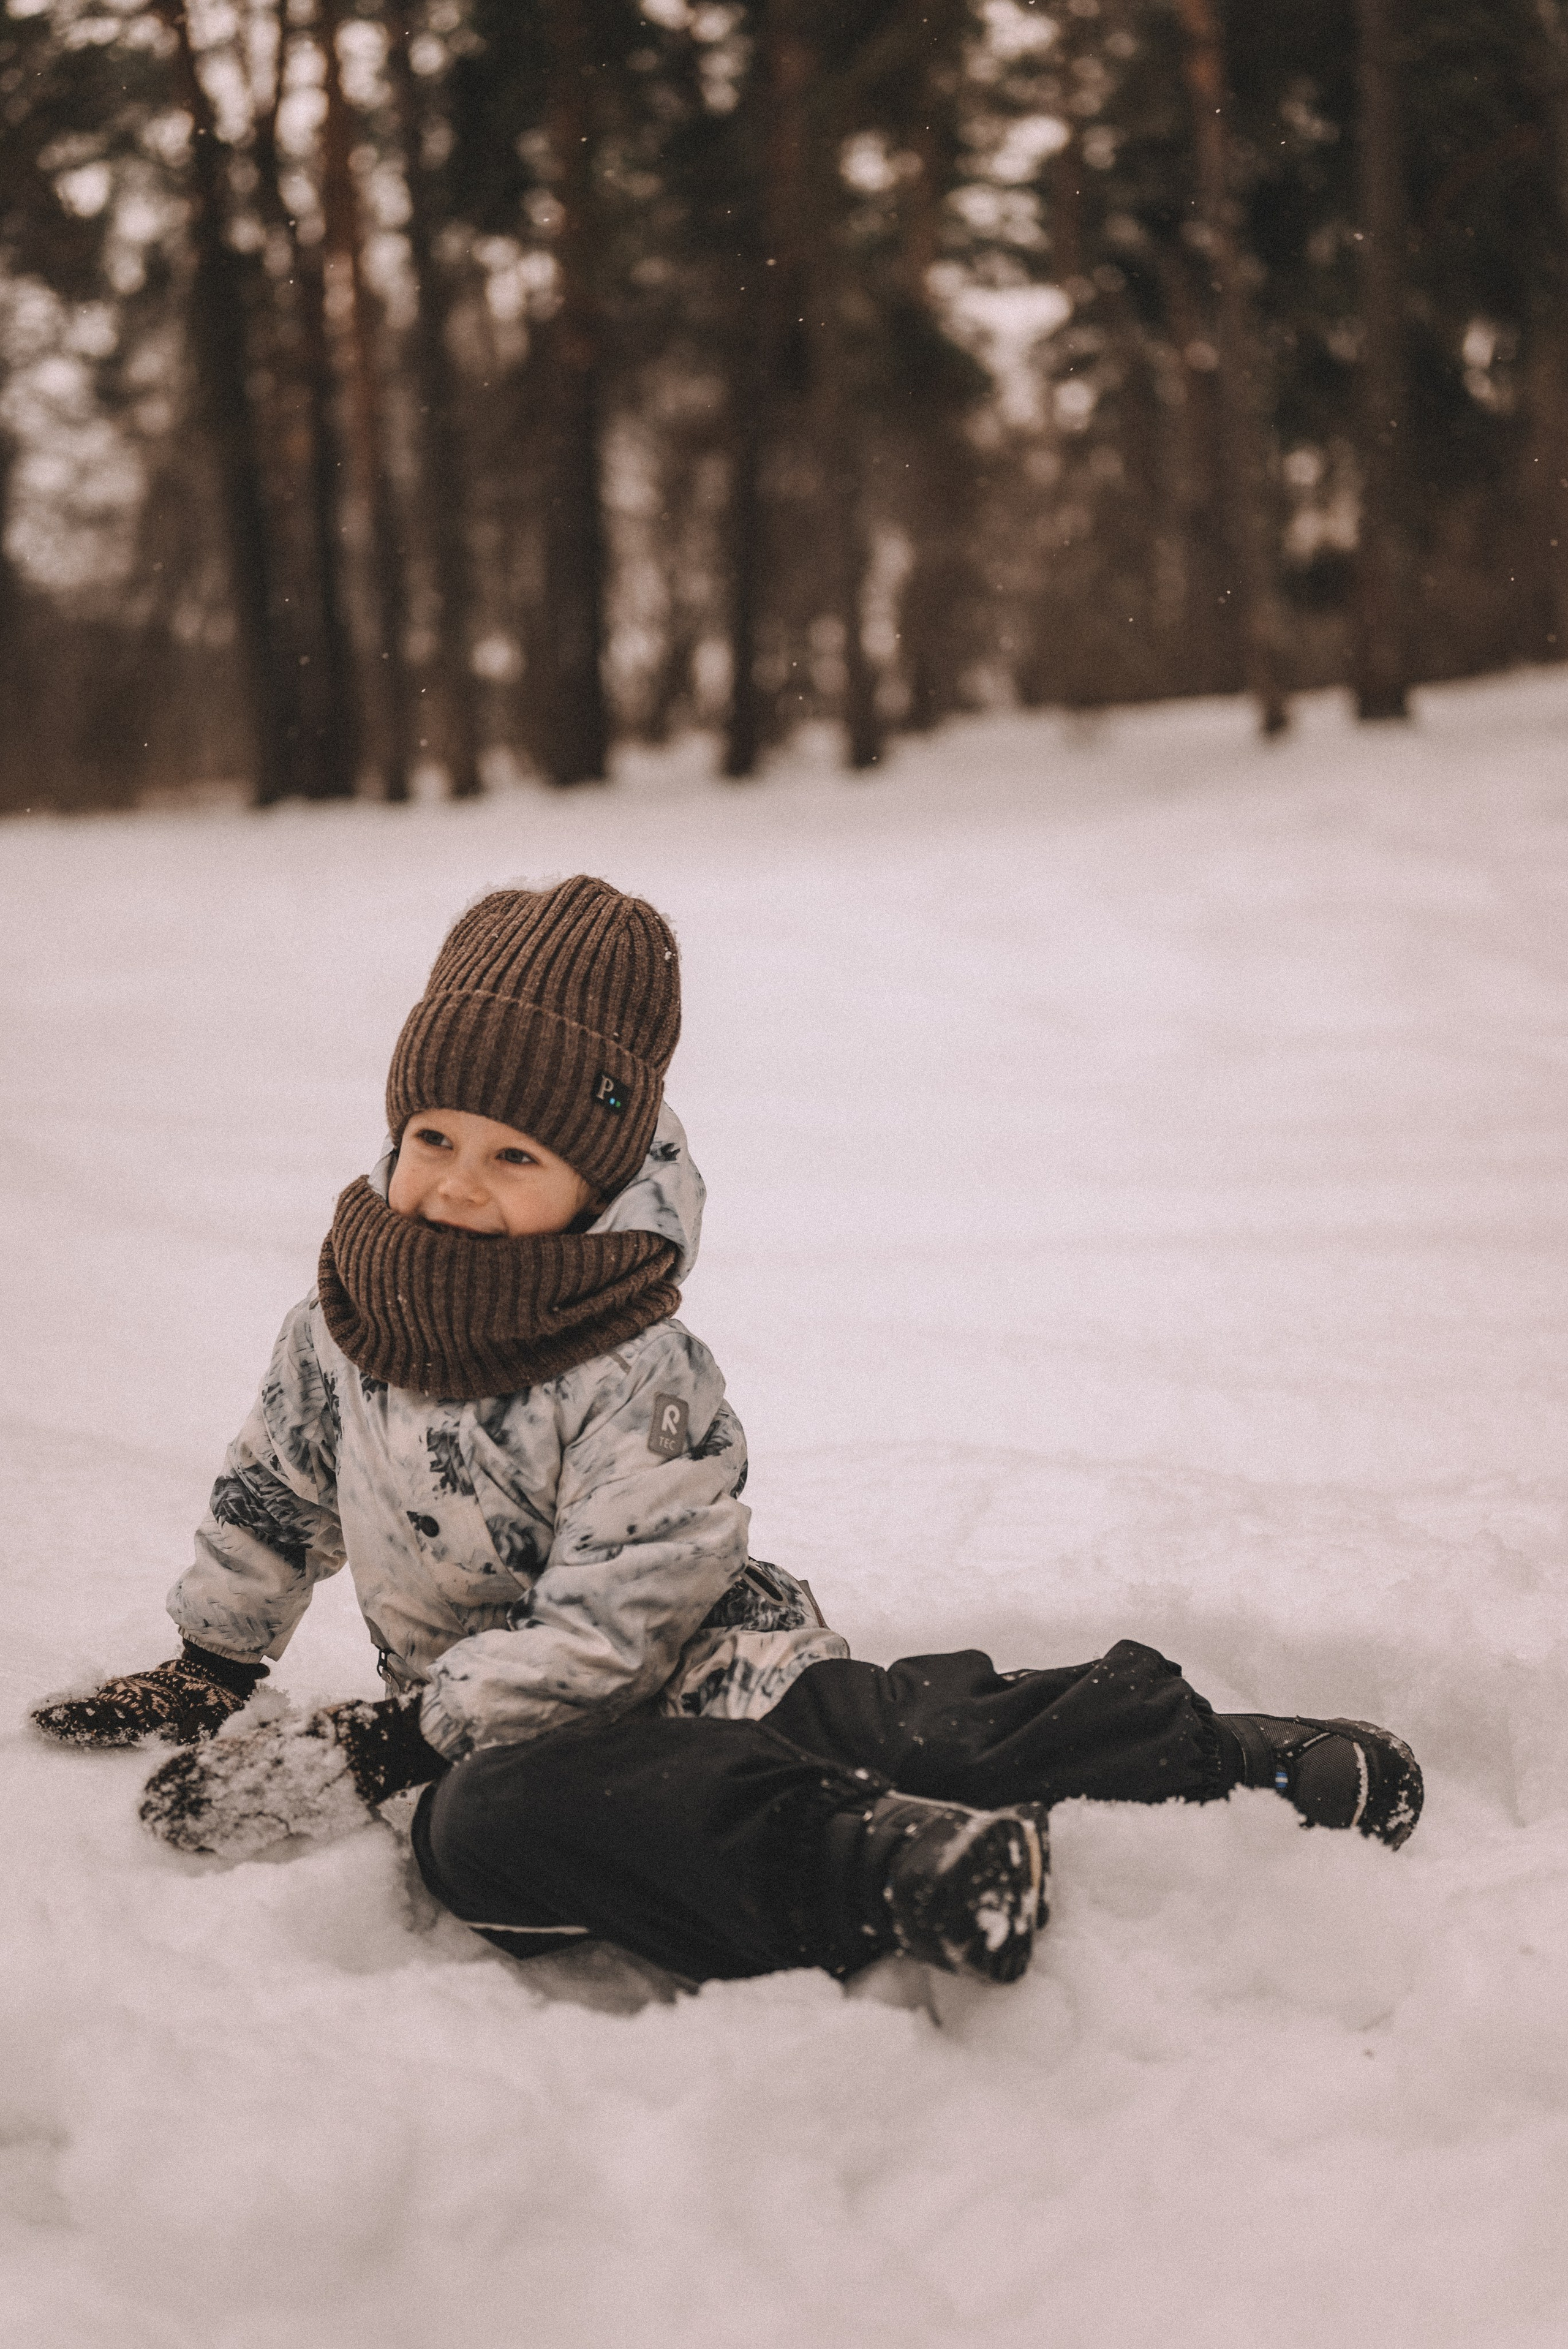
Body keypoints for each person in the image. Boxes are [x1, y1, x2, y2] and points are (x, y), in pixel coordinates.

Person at [32, 877, 1423, 1988]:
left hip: (710, 1669)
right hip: (510, 1749)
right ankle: (882, 1868)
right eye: (435, 1138)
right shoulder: (335, 1326)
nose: (457, 1186)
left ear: (595, 1178)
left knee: (906, 1726)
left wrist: (393, 1742)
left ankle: (1209, 1758)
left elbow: (620, 1622)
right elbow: (273, 1495)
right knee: (486, 1840)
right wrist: (209, 1665)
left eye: (515, 1157)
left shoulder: (636, 1365)